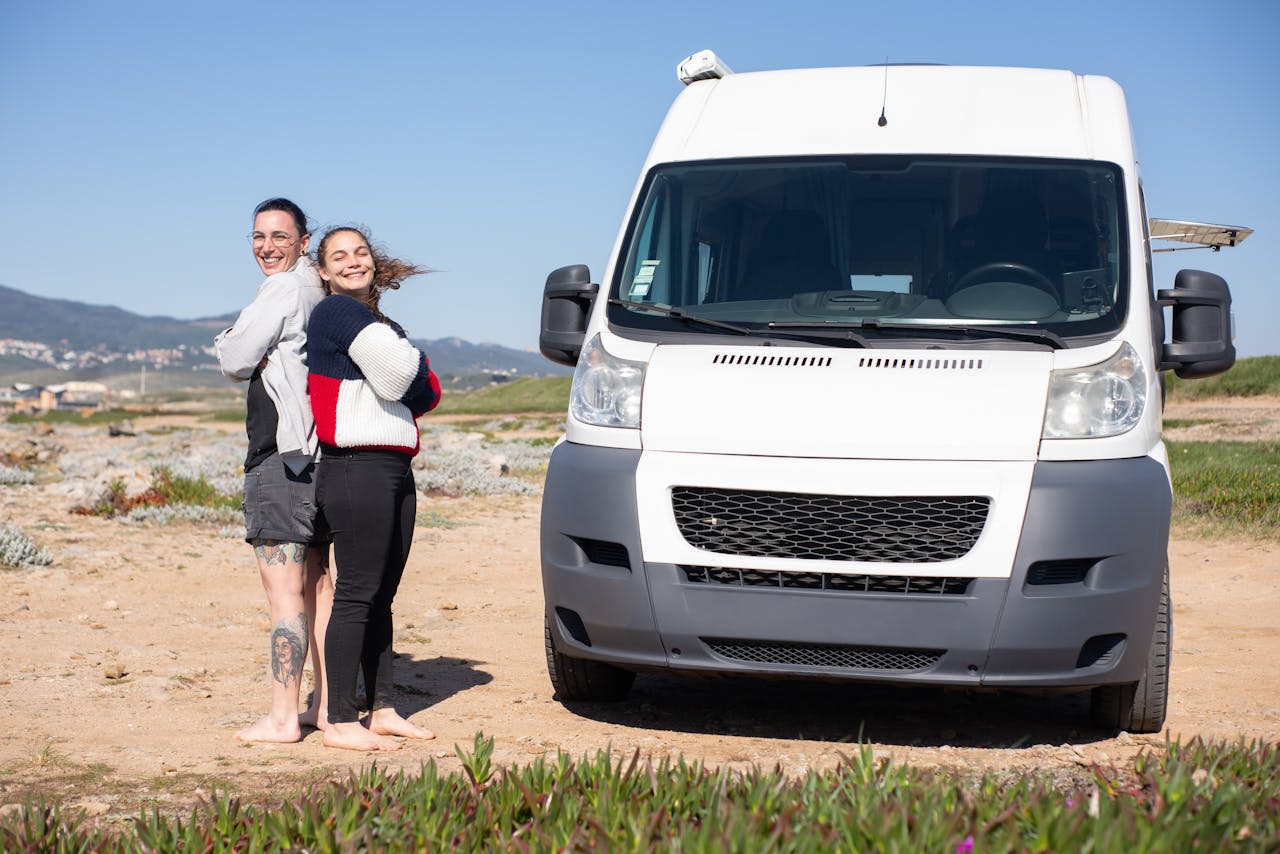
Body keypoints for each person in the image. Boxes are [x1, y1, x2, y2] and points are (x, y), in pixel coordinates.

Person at [307, 225, 442, 751]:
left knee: (381, 595)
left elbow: (426, 393)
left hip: (392, 467)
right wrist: (416, 363)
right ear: (323, 271)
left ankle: (382, 709)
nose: (352, 262)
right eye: (339, 256)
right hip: (354, 466)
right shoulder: (337, 313)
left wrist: (414, 369)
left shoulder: (381, 322)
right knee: (358, 593)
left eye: (360, 252)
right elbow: (397, 379)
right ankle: (339, 719)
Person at [214, 198, 334, 742]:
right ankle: (328, 707)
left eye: (279, 236)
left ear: (303, 241)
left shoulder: (285, 289)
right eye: (258, 237)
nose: (267, 247)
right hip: (318, 454)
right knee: (318, 587)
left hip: (279, 458)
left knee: (284, 593)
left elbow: (235, 359)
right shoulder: (318, 286)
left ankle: (284, 717)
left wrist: (235, 343)